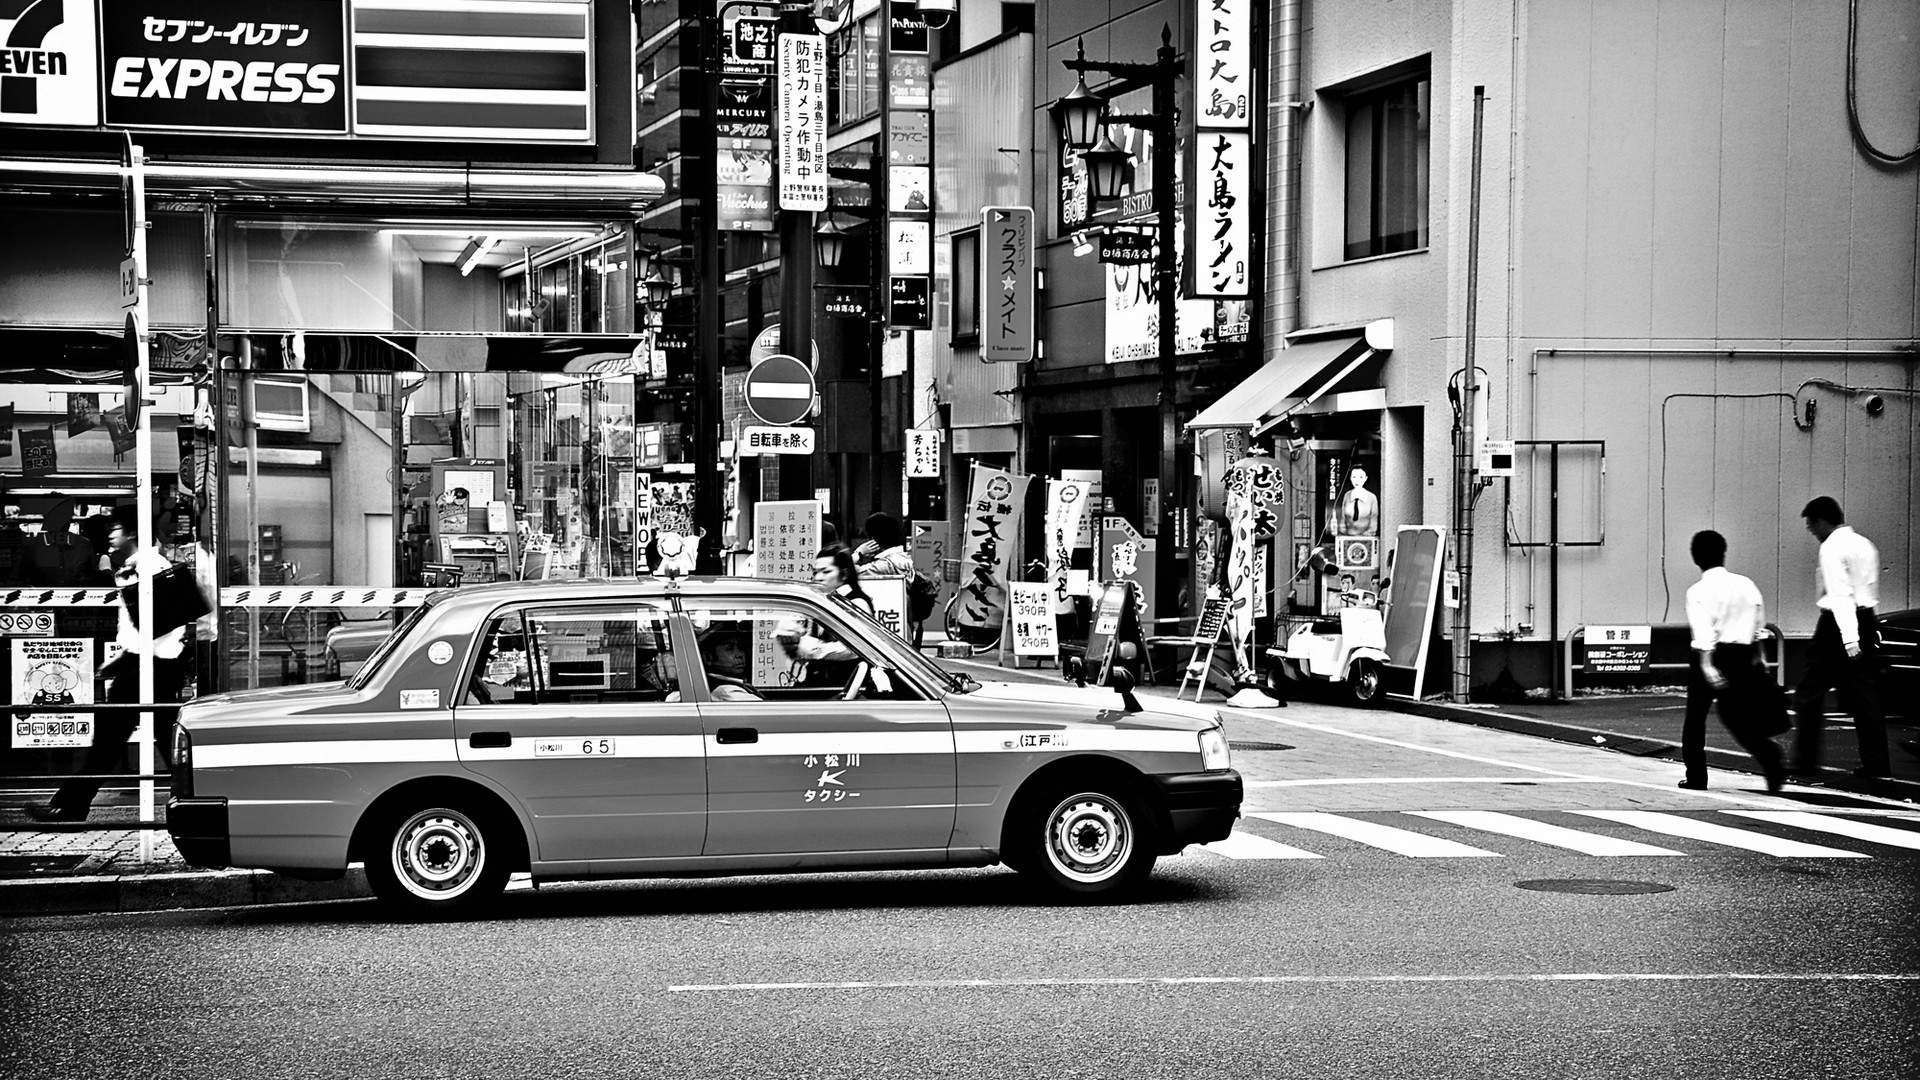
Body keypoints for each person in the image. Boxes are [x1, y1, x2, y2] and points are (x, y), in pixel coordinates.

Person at [30, 508, 187, 822]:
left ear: (132, 533)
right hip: (148, 665)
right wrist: (120, 658)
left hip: (148, 667)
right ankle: (194, 802)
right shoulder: (141, 565)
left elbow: (161, 623)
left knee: (111, 741)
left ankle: (70, 806)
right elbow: (145, 624)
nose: (111, 535)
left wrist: (127, 658)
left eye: (116, 528)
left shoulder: (148, 566)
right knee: (148, 742)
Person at [1679, 530, 1786, 792]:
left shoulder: (1697, 591)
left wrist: (1707, 665)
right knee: (1736, 717)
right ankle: (1769, 756)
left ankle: (1696, 776)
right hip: (1743, 655)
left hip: (1711, 656)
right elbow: (1759, 625)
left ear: (1695, 557)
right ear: (1723, 553)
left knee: (1695, 719)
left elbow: (1703, 632)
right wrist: (1760, 656)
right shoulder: (1746, 584)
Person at [1791, 497, 1889, 778]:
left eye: (1812, 526)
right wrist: (1860, 634)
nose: (1812, 532)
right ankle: (1877, 763)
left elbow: (1841, 594)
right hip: (1867, 617)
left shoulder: (1831, 547)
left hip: (1837, 625)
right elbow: (1866, 588)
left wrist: (1849, 639)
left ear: (1822, 521)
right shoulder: (1865, 544)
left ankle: (1805, 761)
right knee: (1865, 694)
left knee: (1809, 691)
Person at [777, 546, 872, 687]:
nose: (819, 577)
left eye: (826, 572)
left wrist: (812, 649)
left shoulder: (856, 603)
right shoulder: (822, 601)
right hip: (821, 683)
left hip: (846, 686)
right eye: (816, 572)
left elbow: (856, 648)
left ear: (844, 574)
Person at [854, 511, 919, 643]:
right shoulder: (904, 559)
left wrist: (858, 554)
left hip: (888, 637)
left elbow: (844, 572)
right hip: (904, 631)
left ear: (872, 541)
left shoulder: (884, 566)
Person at [1338, 465, 1379, 537]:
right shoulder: (1347, 495)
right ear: (1350, 478)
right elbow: (1343, 519)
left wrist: (1366, 535)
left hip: (1366, 537)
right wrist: (1343, 534)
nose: (1357, 480)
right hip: (1347, 537)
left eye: (1361, 477)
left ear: (1365, 478)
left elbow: (1374, 521)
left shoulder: (1372, 497)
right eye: (1354, 477)